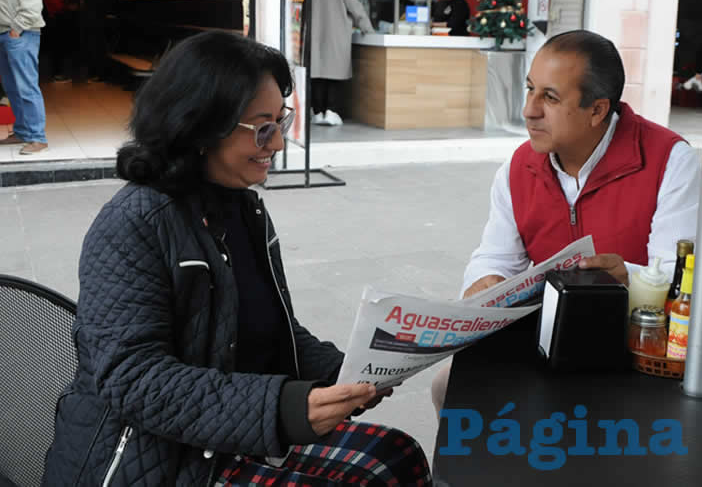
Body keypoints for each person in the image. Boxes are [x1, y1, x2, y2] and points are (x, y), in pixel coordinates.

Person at [41, 31, 432, 486]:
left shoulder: (243, 209)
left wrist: (348, 374)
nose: (278, 145)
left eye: (280, 124)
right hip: (151, 459)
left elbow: (266, 329)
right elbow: (134, 380)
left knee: (396, 455)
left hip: (225, 433)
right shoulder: (133, 225)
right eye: (262, 129)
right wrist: (283, 408)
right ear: (200, 126)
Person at [431, 30, 700, 414]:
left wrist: (630, 279)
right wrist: (484, 282)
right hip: (546, 338)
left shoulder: (669, 162)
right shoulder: (518, 168)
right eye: (529, 90)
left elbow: (680, 278)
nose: (529, 110)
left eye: (550, 97)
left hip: (638, 350)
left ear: (597, 110)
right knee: (450, 388)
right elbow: (494, 257)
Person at [0, 0, 49, 154]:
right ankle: (22, 132)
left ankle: (38, 138)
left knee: (27, 87)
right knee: (12, 87)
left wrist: (16, 29)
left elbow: (32, 3)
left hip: (20, 33)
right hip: (4, 31)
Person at [310, 0, 375, 127]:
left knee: (317, 72)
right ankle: (331, 111)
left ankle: (318, 113)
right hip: (336, 34)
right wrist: (370, 32)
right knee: (334, 72)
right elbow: (356, 9)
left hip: (314, 35)